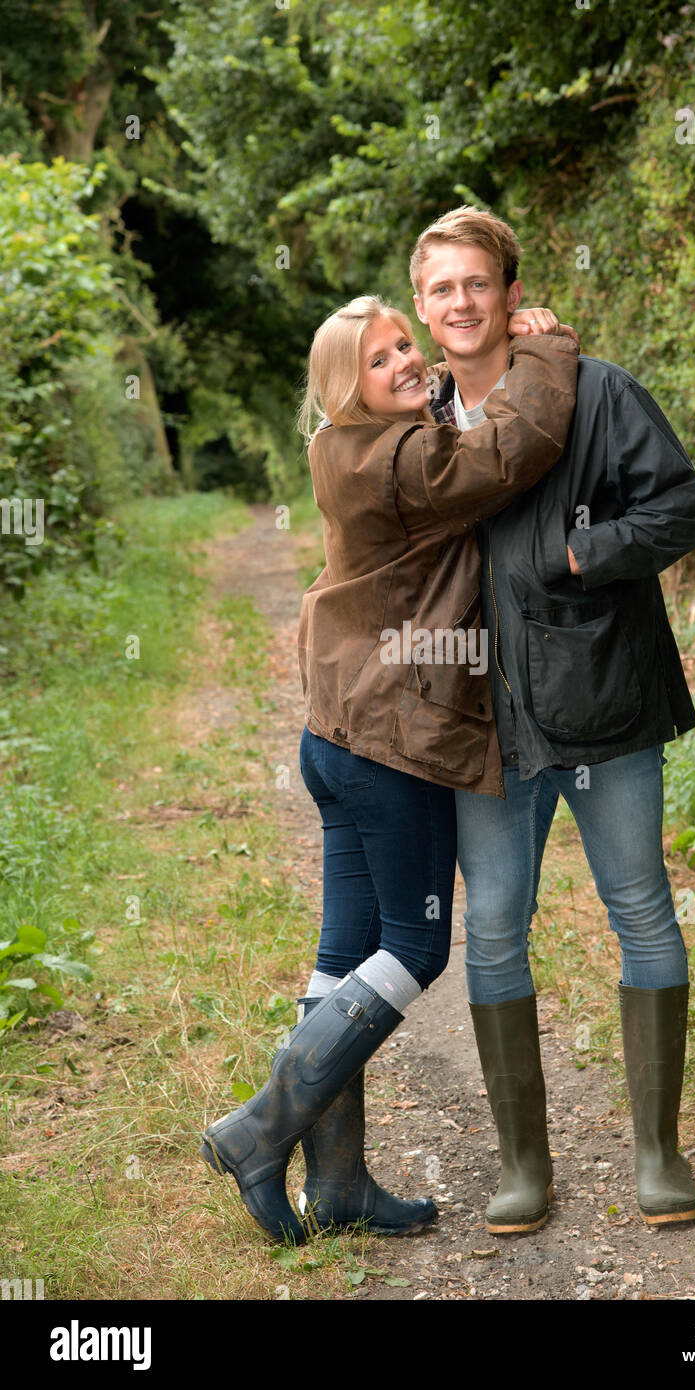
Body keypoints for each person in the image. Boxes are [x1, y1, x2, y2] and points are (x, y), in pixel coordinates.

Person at [200, 293, 580, 1244]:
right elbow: (510, 451)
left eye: (405, 344)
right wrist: (549, 348)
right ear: (347, 392)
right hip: (389, 742)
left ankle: (339, 1188)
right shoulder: (404, 457)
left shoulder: (343, 448)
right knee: (415, 951)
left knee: (342, 958)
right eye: (383, 360)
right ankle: (260, 1129)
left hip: (337, 735)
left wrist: (447, 375)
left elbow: (451, 427)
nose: (408, 362)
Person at [409, 205, 695, 1234]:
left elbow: (679, 508)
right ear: (423, 306)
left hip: (605, 702)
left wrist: (584, 554)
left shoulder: (597, 392)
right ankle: (523, 1168)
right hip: (483, 726)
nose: (461, 301)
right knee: (494, 928)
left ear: (508, 292)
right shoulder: (417, 422)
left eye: (477, 282)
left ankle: (660, 1157)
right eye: (442, 287)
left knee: (641, 910)